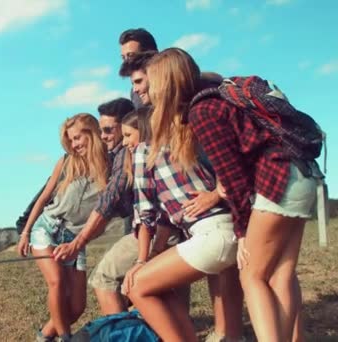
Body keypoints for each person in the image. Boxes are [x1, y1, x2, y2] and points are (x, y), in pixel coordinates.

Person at [148, 48, 319, 341]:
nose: (148, 92)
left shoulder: (202, 113)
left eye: (151, 85)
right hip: (302, 172)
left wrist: (241, 233)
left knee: (251, 275)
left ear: (166, 85)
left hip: (277, 178)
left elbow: (233, 180)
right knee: (281, 274)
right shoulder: (218, 96)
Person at [121, 51, 245, 342]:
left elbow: (145, 213)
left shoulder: (147, 149)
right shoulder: (188, 124)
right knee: (231, 336)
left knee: (136, 286)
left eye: (143, 82)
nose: (139, 89)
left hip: (212, 233)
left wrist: (142, 260)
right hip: (232, 229)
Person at [17, 114, 109, 342]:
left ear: (92, 132)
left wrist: (80, 243)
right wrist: (26, 232)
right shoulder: (67, 161)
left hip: (77, 240)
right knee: (56, 281)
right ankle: (66, 338)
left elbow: (105, 215)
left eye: (78, 138)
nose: (75, 144)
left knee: (77, 306)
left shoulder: (110, 166)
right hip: (48, 228)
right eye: (71, 140)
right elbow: (44, 197)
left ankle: (45, 336)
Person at [52, 98, 138, 315]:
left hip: (152, 230)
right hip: (150, 229)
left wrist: (78, 243)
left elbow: (108, 200)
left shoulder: (124, 155)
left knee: (104, 279)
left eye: (108, 130)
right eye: (101, 130)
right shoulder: (116, 154)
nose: (103, 136)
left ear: (126, 125)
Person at [118, 28, 158, 108]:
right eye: (123, 57)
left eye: (131, 55)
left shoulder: (174, 80)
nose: (126, 62)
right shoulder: (135, 94)